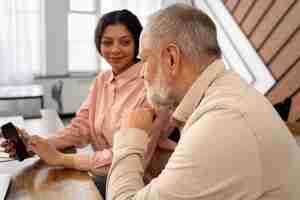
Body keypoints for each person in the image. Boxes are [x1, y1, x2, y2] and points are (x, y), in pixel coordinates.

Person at [103, 4, 300, 199]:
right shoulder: (226, 93)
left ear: (171, 58)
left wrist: (130, 136)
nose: (142, 73)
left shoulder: (223, 122)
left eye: (145, 60)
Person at [1, 9, 176, 198]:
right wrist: (37, 144)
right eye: (107, 42)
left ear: (138, 44)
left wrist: (60, 158)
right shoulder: (102, 80)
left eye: (125, 42)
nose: (115, 50)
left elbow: (128, 158)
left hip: (143, 186)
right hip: (106, 176)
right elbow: (79, 128)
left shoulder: (152, 86)